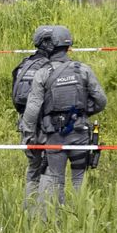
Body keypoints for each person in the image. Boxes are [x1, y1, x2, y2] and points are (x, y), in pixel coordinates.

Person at [21, 26, 107, 209]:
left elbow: (32, 110)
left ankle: (58, 221)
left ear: (50, 47)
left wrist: (28, 136)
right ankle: (79, 218)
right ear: (68, 47)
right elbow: (101, 100)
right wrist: (83, 113)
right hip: (80, 134)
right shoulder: (82, 70)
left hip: (54, 137)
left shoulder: (42, 74)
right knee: (78, 179)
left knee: (56, 181)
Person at [11, 26, 56, 204]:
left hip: (25, 125)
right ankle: (44, 214)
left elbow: (15, 98)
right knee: (49, 168)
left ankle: (29, 210)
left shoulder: (23, 65)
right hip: (45, 126)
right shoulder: (50, 68)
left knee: (33, 169)